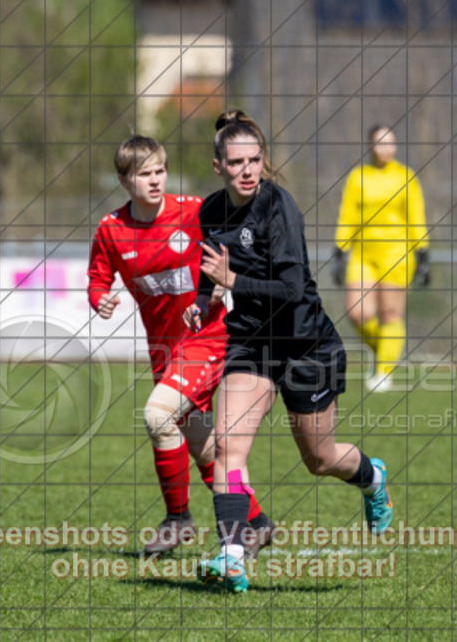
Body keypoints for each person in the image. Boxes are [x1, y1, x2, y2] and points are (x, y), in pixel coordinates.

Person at [183, 110, 393, 593]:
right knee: (228, 444)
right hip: (251, 343)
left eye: (255, 160)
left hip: (306, 345)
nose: (248, 170)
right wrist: (201, 300)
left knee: (319, 460)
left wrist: (232, 282)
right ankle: (232, 555)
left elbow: (295, 288)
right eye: (236, 162)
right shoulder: (210, 211)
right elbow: (210, 267)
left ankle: (371, 477)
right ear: (218, 166)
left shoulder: (279, 206)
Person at [87, 135, 273, 558]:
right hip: (164, 350)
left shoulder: (193, 212)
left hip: (208, 338)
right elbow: (98, 278)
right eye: (143, 174)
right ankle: (258, 523)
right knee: (201, 442)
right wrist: (99, 298)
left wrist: (230, 280)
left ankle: (178, 520)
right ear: (123, 179)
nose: (155, 181)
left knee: (157, 415)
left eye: (159, 171)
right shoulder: (112, 231)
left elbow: (239, 240)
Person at [331, 124, 430, 392]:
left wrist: (422, 251)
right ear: (370, 146)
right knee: (357, 312)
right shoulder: (358, 177)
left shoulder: (405, 177)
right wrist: (340, 248)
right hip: (363, 254)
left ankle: (384, 371)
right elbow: (347, 214)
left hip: (396, 252)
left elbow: (416, 216)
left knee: (390, 312)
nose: (386, 148)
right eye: (380, 143)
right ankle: (386, 349)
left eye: (390, 143)